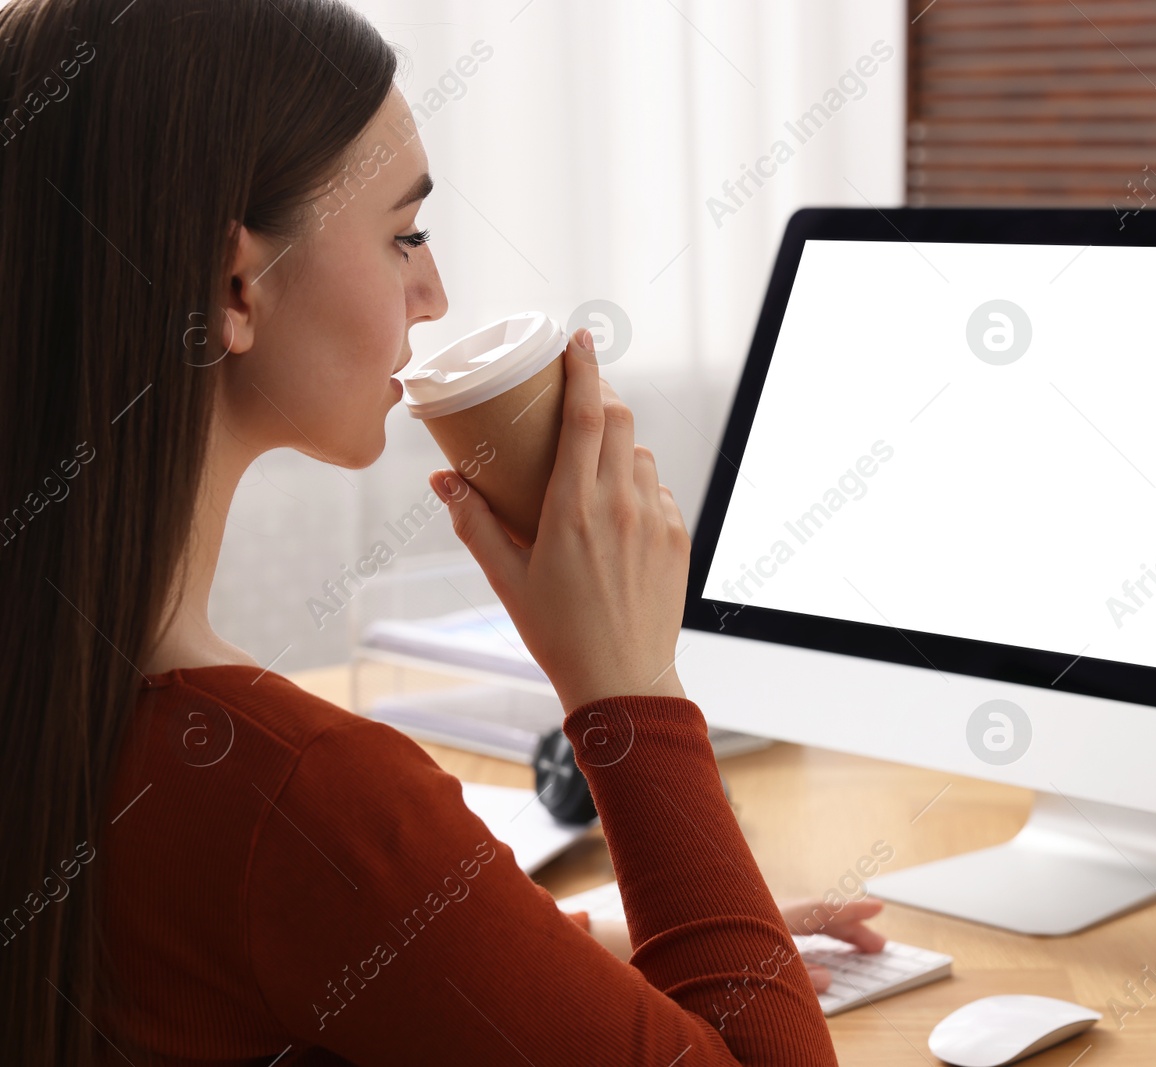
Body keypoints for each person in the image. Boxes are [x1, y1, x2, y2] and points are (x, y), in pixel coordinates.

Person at [0, 1, 880, 1063]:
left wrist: (544, 939)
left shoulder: (82, 719)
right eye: (402, 235)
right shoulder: (298, 794)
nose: (432, 291)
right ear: (232, 282)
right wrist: (627, 690)